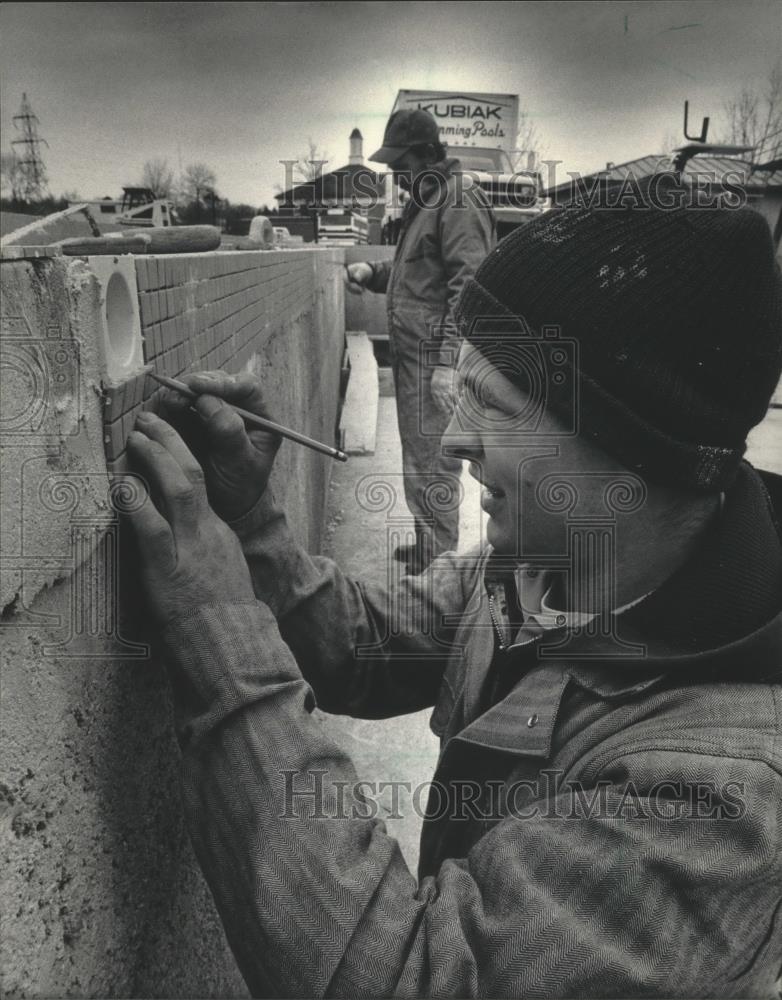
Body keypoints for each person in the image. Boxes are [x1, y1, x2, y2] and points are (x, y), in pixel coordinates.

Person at [126, 190, 782, 998]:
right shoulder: (553, 566)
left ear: (632, 450)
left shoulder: (723, 801)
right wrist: (251, 523)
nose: (455, 438)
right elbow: (360, 649)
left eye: (496, 404)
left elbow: (411, 976)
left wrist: (216, 628)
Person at [346, 108, 496, 573]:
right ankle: (427, 547)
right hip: (418, 362)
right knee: (419, 461)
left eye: (401, 165)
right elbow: (417, 277)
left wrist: (448, 364)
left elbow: (469, 285)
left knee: (434, 469)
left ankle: (440, 577)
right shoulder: (429, 202)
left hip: (436, 362)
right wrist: (373, 273)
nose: (395, 175)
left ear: (428, 155)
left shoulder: (458, 200)